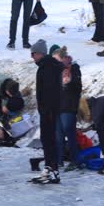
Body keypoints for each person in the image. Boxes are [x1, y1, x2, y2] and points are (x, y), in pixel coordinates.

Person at [30, 39, 64, 184]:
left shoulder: (47, 67)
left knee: (48, 139)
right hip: (49, 109)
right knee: (48, 139)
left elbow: (49, 91)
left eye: (33, 54)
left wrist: (47, 109)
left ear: (40, 53)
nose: (32, 57)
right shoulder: (48, 66)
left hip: (48, 110)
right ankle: (50, 168)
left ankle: (52, 169)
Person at [50, 45, 82, 171]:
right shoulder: (55, 70)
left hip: (68, 105)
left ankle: (74, 160)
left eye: (56, 60)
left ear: (63, 59)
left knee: (69, 132)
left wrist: (69, 83)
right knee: (58, 135)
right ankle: (59, 160)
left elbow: (78, 87)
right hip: (57, 105)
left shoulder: (73, 69)